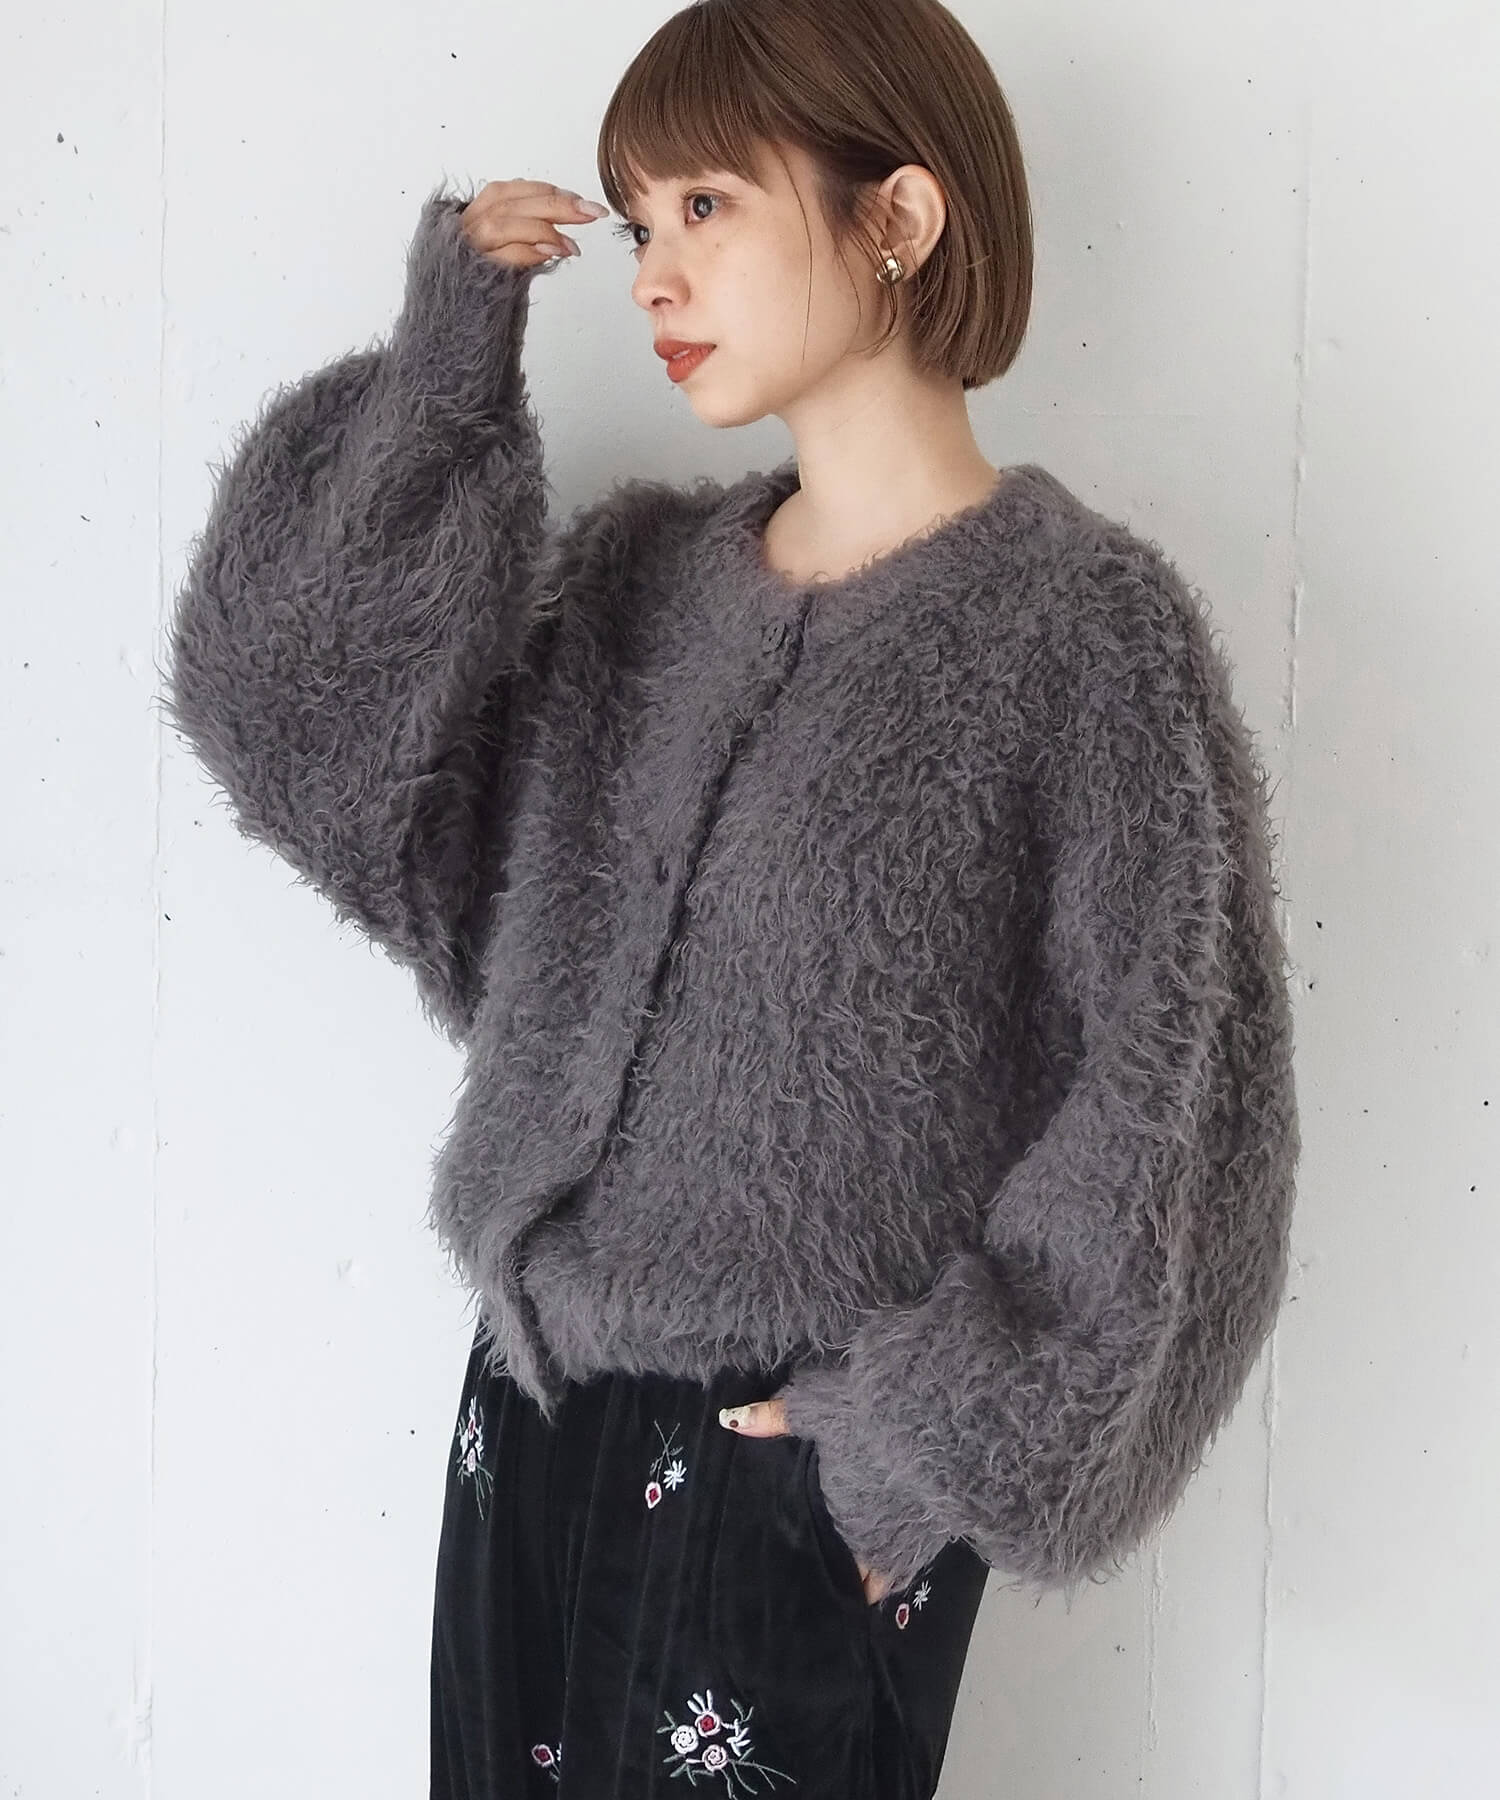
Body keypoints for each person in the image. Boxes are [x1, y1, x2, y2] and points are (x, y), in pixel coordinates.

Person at [158, 1, 1301, 1795]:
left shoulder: (1084, 637)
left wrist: (909, 1451)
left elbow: (1176, 1119)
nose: (653, 272)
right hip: (533, 1419)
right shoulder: (639, 589)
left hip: (800, 1467)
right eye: (639, 220)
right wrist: (445, 380)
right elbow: (312, 744)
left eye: (707, 206)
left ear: (897, 218)